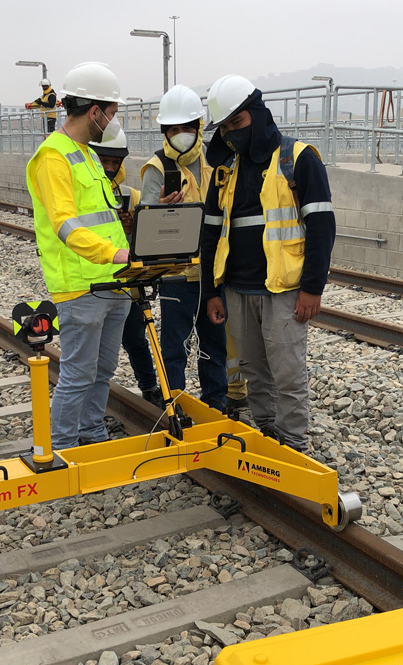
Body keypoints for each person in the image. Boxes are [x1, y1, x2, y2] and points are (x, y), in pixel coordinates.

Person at [200, 75, 336, 453]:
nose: (231, 134)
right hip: (237, 289)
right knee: (254, 371)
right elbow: (210, 234)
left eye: (237, 124)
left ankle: (294, 445)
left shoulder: (298, 158)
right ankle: (267, 435)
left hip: (284, 290)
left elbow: (322, 226)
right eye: (224, 128)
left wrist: (312, 288)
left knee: (288, 374)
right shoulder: (225, 170)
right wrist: (212, 292)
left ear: (257, 115)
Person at [25, 62, 129, 450]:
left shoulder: (84, 152)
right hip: (80, 284)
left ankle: (92, 431)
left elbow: (103, 217)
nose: (113, 119)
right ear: (95, 111)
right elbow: (65, 225)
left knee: (103, 370)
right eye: (112, 112)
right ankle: (62, 446)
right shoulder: (53, 157)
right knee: (77, 374)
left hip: (113, 281)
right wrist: (115, 254)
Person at [140, 84, 229, 413]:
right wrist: (162, 209)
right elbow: (147, 231)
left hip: (214, 273)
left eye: (187, 128)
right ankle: (173, 401)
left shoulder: (217, 159)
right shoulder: (158, 167)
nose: (181, 134)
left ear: (199, 127)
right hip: (177, 275)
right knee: (175, 344)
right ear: (165, 130)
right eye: (173, 129)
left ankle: (216, 400)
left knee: (215, 342)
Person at [88, 121, 162, 408]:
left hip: (126, 285)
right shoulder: (85, 192)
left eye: (113, 161)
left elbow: (146, 239)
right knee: (93, 352)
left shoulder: (131, 195)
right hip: (92, 282)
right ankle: (92, 399)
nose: (108, 166)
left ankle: (149, 387)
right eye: (103, 160)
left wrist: (133, 227)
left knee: (135, 339)